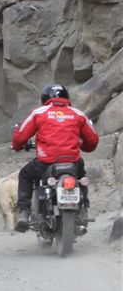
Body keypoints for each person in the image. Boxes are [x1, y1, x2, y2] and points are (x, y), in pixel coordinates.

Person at [12, 83, 99, 232]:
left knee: (25, 175)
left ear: (45, 98)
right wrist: (83, 146)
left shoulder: (39, 112)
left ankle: (24, 213)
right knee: (81, 178)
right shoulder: (77, 114)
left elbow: (20, 137)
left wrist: (18, 146)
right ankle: (84, 209)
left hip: (46, 162)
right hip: (72, 162)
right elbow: (92, 141)